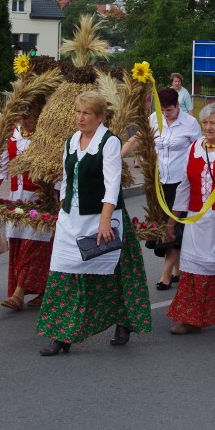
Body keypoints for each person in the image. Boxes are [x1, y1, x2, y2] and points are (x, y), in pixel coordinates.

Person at [36, 91, 151, 356]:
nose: (80, 117)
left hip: (102, 218)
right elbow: (67, 180)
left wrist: (105, 221)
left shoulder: (108, 142)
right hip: (72, 218)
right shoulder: (71, 141)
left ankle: (124, 320)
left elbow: (112, 184)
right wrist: (64, 209)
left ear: (100, 117)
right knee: (63, 275)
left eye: (86, 113)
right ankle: (61, 335)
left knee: (114, 276)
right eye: (77, 112)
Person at [165, 103, 215, 334]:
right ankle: (190, 319)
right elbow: (185, 186)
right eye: (205, 122)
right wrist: (172, 221)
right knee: (192, 269)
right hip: (197, 220)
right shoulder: (194, 148)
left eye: (213, 122)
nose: (208, 127)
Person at [122, 87, 201, 290]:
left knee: (171, 227)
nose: (166, 114)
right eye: (163, 110)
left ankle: (165, 274)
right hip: (159, 182)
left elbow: (200, 151)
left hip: (181, 183)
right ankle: (177, 270)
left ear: (177, 105)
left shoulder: (190, 123)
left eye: (170, 110)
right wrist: (117, 154)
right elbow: (138, 137)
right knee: (162, 226)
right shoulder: (154, 119)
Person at [0, 113, 52, 310]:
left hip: (40, 201)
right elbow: (2, 167)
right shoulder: (13, 136)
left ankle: (18, 293)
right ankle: (43, 291)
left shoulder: (46, 136)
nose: (24, 121)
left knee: (33, 246)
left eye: (29, 117)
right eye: (21, 118)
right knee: (20, 244)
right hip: (17, 199)